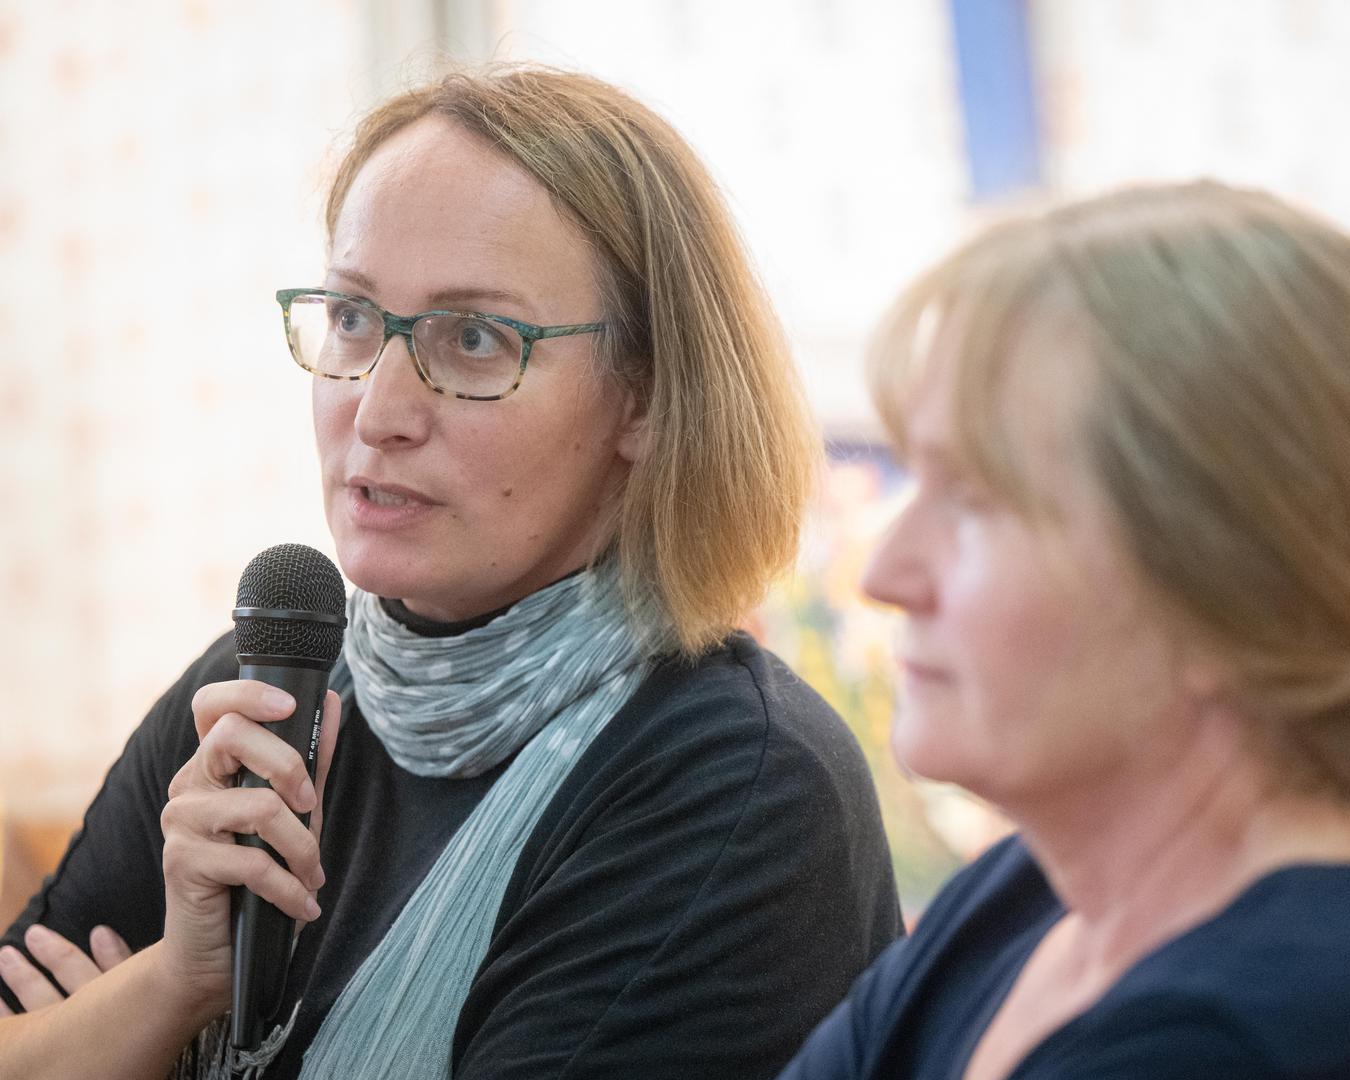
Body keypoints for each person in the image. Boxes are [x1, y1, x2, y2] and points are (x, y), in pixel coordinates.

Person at [0, 65, 902, 1080]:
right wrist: (173, 985)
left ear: (647, 399)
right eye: (351, 317)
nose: (378, 409)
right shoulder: (261, 690)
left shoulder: (732, 787)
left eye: (473, 339)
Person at [778, 181, 1350, 1079]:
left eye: (975, 500)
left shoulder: (1279, 1037)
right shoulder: (1030, 900)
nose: (884, 574)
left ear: (1234, 584)